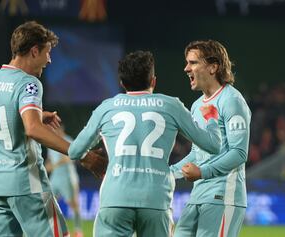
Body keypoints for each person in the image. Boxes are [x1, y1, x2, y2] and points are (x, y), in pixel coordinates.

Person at [68, 50, 222, 237]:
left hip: (115, 197)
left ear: (122, 83)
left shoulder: (106, 107)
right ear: (153, 81)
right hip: (155, 200)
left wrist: (90, 157)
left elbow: (75, 151)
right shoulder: (171, 105)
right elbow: (213, 146)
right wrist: (212, 118)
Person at [0, 21, 106, 237]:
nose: (49, 60)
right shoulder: (29, 83)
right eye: (47, 53)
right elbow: (33, 129)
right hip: (28, 182)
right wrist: (82, 155)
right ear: (34, 51)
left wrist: (31, 113)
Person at [171, 40, 251, 237]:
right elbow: (197, 154)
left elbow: (239, 153)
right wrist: (167, 173)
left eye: (193, 63)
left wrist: (203, 172)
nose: (186, 68)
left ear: (213, 67)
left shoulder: (231, 100)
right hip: (198, 195)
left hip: (223, 196)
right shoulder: (197, 106)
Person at [45, 125, 84, 237]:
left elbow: (71, 158)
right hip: (55, 177)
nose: (54, 131)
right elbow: (50, 158)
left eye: (56, 129)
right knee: (49, 204)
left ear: (61, 129)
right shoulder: (51, 141)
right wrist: (47, 166)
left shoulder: (68, 140)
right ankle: (53, 229)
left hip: (67, 177)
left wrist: (54, 165)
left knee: (73, 204)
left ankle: (78, 231)